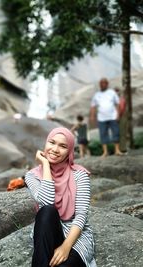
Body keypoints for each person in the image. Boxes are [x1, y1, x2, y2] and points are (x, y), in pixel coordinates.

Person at [25, 127, 96, 267]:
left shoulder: (79, 175)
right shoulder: (32, 175)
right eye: (52, 142)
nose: (55, 149)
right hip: (47, 228)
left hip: (75, 234)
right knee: (47, 211)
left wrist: (66, 247)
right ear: (46, 144)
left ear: (69, 151)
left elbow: (81, 215)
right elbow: (47, 201)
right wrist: (45, 165)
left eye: (63, 146)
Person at [90, 78, 123, 157]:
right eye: (101, 83)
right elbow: (93, 106)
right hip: (101, 118)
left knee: (116, 132)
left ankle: (117, 150)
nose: (102, 84)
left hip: (112, 116)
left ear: (107, 84)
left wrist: (118, 114)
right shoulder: (97, 95)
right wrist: (92, 116)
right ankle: (105, 152)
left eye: (104, 83)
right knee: (103, 134)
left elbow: (118, 103)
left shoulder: (112, 93)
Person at [114, 87, 127, 152]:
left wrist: (118, 116)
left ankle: (123, 149)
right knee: (116, 134)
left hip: (121, 117)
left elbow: (122, 109)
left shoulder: (122, 99)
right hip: (115, 118)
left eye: (117, 91)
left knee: (122, 133)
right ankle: (117, 149)